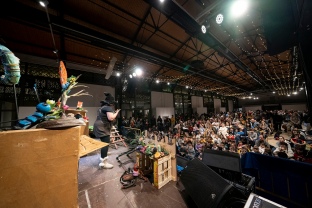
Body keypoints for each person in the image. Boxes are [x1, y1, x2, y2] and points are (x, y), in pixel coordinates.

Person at [93, 92, 121, 169]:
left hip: (99, 126)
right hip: (102, 127)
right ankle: (104, 162)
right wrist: (117, 112)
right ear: (111, 103)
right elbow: (111, 118)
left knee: (104, 143)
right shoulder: (108, 108)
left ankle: (104, 155)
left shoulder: (102, 108)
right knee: (105, 144)